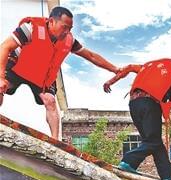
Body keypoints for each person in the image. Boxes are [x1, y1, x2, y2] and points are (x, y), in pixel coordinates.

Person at [0, 6, 121, 140]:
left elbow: (91, 56)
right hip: (19, 65)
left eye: (70, 28)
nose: (67, 31)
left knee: (50, 101)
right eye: (64, 27)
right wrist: (0, 77)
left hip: (41, 75)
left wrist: (114, 69)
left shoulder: (69, 40)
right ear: (51, 21)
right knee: (0, 86)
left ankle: (55, 141)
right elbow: (5, 47)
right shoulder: (31, 28)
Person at [103, 56, 171, 180]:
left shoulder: (149, 67)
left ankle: (167, 176)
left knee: (154, 142)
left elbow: (128, 67)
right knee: (153, 142)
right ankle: (128, 161)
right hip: (149, 104)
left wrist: (111, 81)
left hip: (134, 105)